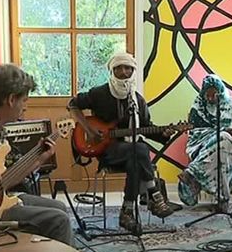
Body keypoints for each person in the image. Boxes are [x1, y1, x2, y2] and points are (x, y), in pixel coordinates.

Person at [68, 52, 180, 232]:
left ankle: (127, 211)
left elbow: (146, 127)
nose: (123, 72)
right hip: (107, 151)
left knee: (136, 156)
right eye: (119, 68)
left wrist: (164, 134)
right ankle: (154, 194)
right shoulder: (99, 93)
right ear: (112, 70)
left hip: (131, 153)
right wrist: (89, 131)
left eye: (128, 68)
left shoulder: (137, 100)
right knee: (140, 150)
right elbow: (72, 105)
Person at [0, 64, 73, 245]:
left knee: (59, 207)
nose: (25, 107)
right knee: (59, 221)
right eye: (24, 100)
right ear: (11, 99)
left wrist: (39, 159)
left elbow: (3, 181)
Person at [178, 74, 232, 209]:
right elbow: (196, 131)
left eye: (214, 95)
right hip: (202, 143)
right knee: (222, 141)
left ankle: (193, 174)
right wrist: (223, 132)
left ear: (220, 93)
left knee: (224, 141)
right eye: (208, 95)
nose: (211, 98)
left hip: (229, 145)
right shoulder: (199, 106)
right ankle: (222, 199)